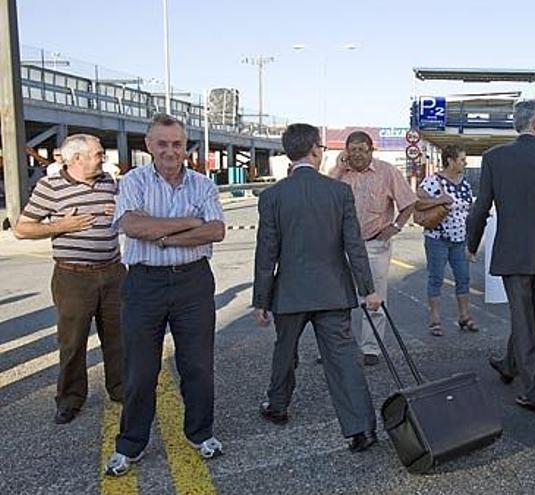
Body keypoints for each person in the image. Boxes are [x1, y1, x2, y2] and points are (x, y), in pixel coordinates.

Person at [104, 114, 226, 476]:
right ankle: (132, 443)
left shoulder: (203, 185)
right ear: (149, 145)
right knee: (140, 369)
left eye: (177, 144)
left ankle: (200, 433)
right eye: (163, 143)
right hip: (144, 283)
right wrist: (191, 223)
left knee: (198, 365)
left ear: (185, 145)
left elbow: (216, 230)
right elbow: (132, 225)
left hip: (193, 282)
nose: (171, 151)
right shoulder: (133, 181)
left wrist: (163, 237)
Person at [252, 123, 382, 452]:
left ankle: (277, 406)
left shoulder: (272, 197)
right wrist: (368, 290)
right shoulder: (339, 193)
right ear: (315, 150)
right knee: (343, 359)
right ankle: (361, 429)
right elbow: (354, 246)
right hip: (333, 291)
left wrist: (261, 300)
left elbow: (267, 252)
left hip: (290, 293)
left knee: (285, 351)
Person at [467, 100, 535, 416]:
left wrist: (471, 244)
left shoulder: (495, 158)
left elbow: (481, 207)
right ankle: (511, 366)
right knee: (527, 316)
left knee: (524, 319)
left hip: (513, 253)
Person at [14, 134, 124, 424]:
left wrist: (121, 211)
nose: (104, 158)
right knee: (73, 342)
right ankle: (70, 399)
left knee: (118, 337)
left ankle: (121, 389)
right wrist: (63, 225)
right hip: (73, 276)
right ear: (78, 159)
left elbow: (130, 214)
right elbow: (22, 228)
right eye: (99, 154)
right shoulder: (50, 187)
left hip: (113, 273)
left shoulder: (110, 182)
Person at [327, 131, 416, 366]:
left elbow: (408, 203)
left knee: (374, 298)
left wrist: (395, 227)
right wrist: (338, 169)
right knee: (338, 299)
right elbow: (323, 197)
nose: (356, 154)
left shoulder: (387, 172)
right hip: (341, 245)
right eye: (352, 149)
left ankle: (371, 348)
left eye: (361, 149)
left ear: (370, 150)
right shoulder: (340, 175)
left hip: (374, 243)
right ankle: (338, 346)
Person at [418, 143, 478, 337]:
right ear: (450, 161)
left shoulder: (465, 184)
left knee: (463, 278)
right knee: (436, 278)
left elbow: (469, 213)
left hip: (459, 240)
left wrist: (471, 242)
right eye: (462, 159)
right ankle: (435, 320)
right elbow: (417, 202)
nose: (465, 163)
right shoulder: (433, 181)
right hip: (438, 237)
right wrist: (440, 200)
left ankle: (464, 316)